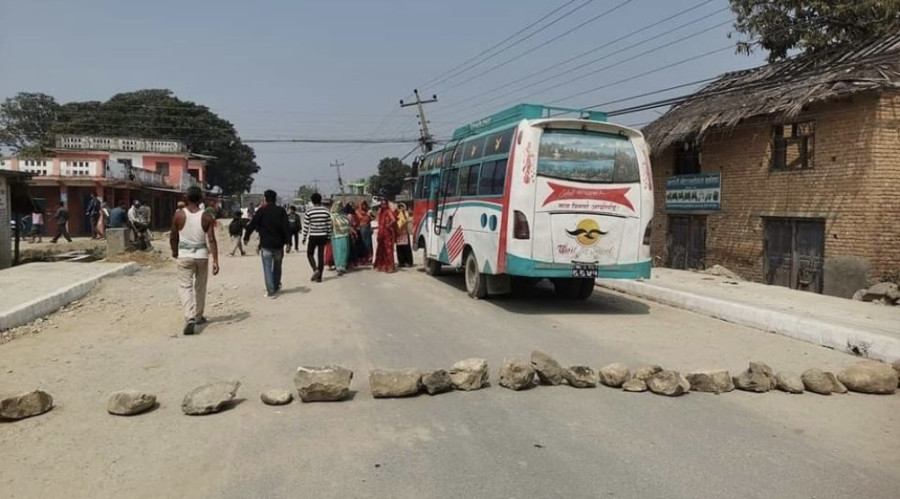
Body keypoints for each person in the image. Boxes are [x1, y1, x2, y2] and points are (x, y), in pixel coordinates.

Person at [170, 186, 219, 336]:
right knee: (200, 286)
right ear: (200, 199)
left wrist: (174, 251)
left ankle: (189, 316)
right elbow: (211, 239)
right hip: (202, 256)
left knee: (185, 287)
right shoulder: (206, 216)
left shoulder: (178, 215)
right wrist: (216, 260)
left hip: (184, 255)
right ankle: (198, 316)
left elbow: (173, 236)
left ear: (186, 198)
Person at [244, 190, 291, 297]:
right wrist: (289, 243)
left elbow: (252, 224)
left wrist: (246, 237)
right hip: (279, 245)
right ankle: (275, 285)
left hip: (266, 244)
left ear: (265, 199)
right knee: (277, 267)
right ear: (275, 199)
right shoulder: (281, 211)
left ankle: (270, 290)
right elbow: (286, 227)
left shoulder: (261, 211)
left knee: (267, 268)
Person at [302, 192, 332, 283]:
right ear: (320, 200)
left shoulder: (309, 212)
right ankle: (319, 278)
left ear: (312, 201)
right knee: (320, 256)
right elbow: (329, 225)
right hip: (323, 236)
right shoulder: (326, 211)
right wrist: (329, 236)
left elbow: (306, 226)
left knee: (310, 254)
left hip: (313, 236)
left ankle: (315, 270)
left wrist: (304, 237)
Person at [373, 198, 397, 273]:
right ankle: (381, 265)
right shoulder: (380, 211)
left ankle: (390, 266)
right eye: (382, 204)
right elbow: (379, 222)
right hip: (381, 233)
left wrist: (388, 225)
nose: (383, 205)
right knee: (381, 249)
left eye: (384, 204)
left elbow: (393, 220)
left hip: (387, 233)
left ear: (387, 204)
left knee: (388, 250)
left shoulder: (388, 211)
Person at [330, 201, 351, 276]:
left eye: (341, 206)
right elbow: (330, 226)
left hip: (345, 236)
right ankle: (339, 267)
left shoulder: (344, 216)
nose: (341, 207)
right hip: (336, 236)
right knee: (338, 252)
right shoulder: (331, 216)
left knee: (344, 251)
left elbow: (348, 224)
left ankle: (343, 266)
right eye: (339, 206)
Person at [395, 203, 414, 268]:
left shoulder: (406, 213)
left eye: (402, 207)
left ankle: (408, 262)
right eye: (400, 207)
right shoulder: (396, 213)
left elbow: (407, 221)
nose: (401, 208)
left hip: (404, 232)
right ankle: (401, 262)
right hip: (398, 232)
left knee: (406, 248)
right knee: (399, 248)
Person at [356, 200, 373, 265]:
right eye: (362, 205)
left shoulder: (367, 212)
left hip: (367, 229)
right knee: (362, 244)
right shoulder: (357, 212)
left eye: (365, 205)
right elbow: (359, 220)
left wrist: (368, 215)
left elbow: (371, 220)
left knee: (368, 243)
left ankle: (369, 257)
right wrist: (367, 215)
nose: (364, 206)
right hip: (361, 229)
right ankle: (362, 258)